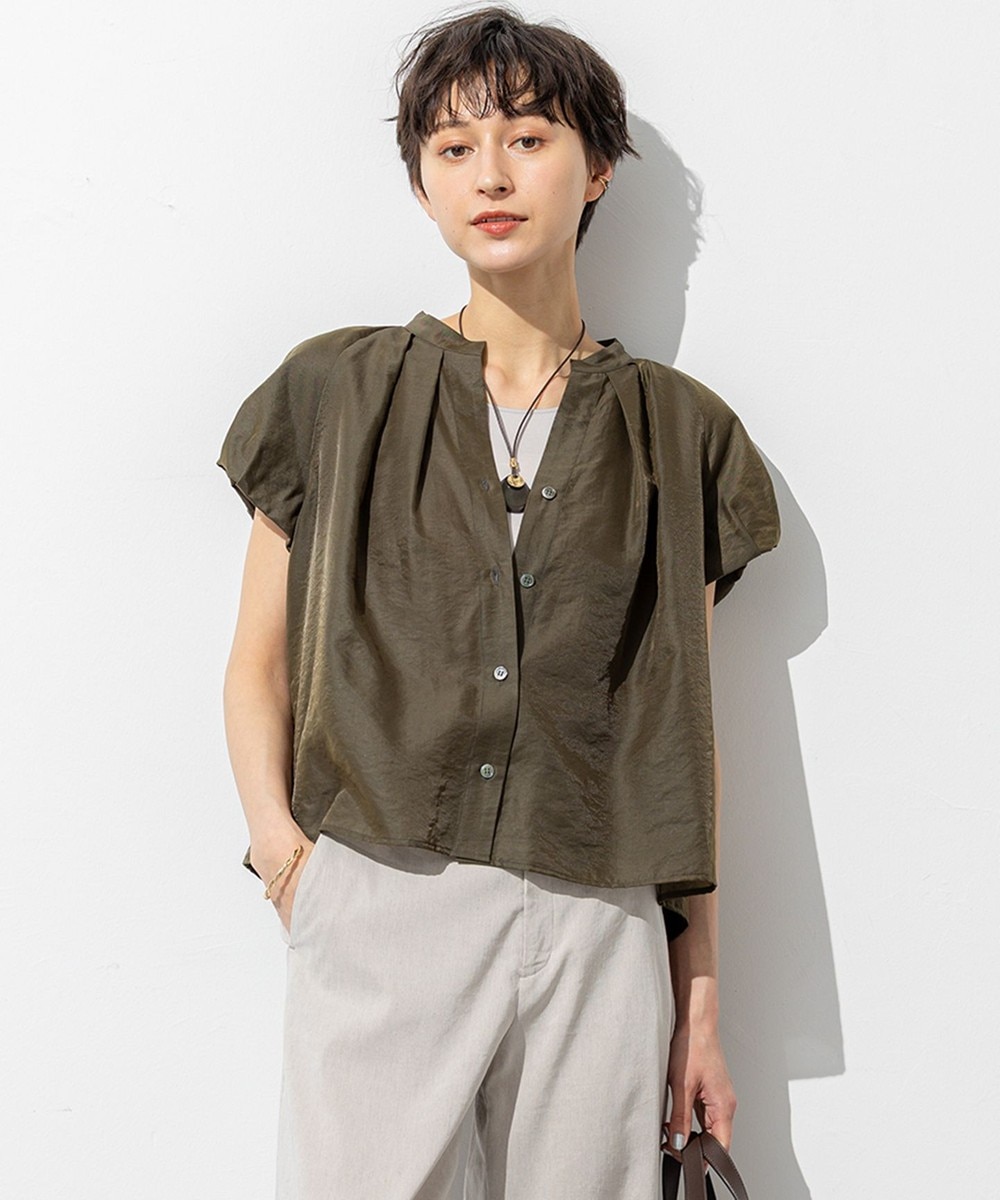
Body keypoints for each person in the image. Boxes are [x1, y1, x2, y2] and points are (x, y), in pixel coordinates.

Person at [216, 6, 781, 1197]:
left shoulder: (680, 434)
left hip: (598, 919)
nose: (491, 175)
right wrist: (288, 862)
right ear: (421, 183)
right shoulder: (335, 393)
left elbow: (683, 736)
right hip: (382, 893)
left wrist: (699, 1001)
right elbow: (257, 662)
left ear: (597, 167)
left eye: (527, 138)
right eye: (454, 147)